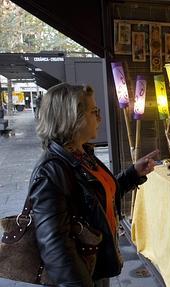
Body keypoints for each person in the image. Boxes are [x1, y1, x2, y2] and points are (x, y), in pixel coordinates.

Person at [29, 83, 159, 286]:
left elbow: (98, 199)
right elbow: (55, 246)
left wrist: (132, 174)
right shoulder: (51, 171)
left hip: (95, 264)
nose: (99, 118)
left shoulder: (82, 154)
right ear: (72, 118)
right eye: (94, 111)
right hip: (81, 275)